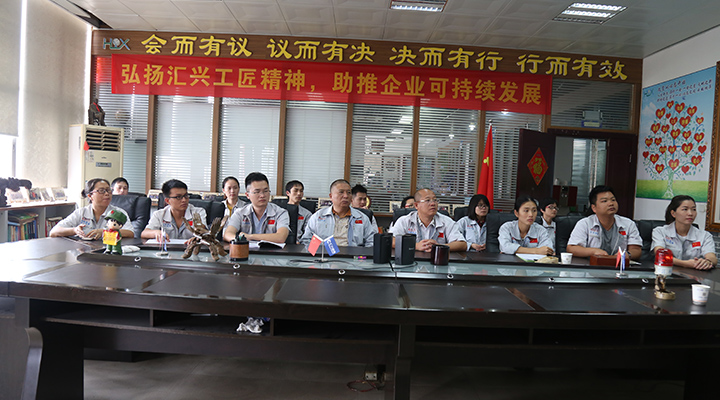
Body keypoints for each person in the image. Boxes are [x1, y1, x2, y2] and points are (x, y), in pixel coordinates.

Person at [567, 185, 642, 259]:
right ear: (594, 208)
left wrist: (628, 254)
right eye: (604, 201)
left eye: (613, 200)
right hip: (591, 265)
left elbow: (636, 249)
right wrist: (593, 251)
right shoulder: (584, 224)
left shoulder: (628, 224)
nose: (611, 203)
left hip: (619, 265)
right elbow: (572, 248)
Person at [50, 178, 134, 239]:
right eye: (101, 191)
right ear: (90, 196)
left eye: (108, 190)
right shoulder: (81, 212)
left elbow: (130, 233)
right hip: (84, 250)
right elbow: (54, 232)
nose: (107, 194)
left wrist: (105, 232)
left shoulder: (118, 212)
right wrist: (74, 230)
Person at [300, 179, 376, 247]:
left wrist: (361, 256)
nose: (346, 196)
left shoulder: (362, 218)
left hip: (353, 256)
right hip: (325, 256)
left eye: (349, 193)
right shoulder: (318, 217)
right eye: (341, 192)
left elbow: (371, 242)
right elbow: (306, 240)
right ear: (331, 196)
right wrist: (318, 253)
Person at [652, 195, 717, 270]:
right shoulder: (660, 232)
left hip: (694, 274)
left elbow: (712, 257)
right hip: (667, 271)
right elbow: (660, 255)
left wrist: (707, 262)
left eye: (694, 209)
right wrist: (685, 264)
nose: (690, 213)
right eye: (685, 209)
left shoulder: (704, 235)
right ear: (673, 213)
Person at [390, 188, 465, 252]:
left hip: (437, 260)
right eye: (428, 200)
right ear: (416, 205)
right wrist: (415, 246)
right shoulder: (405, 221)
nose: (433, 203)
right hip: (411, 260)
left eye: (435, 200)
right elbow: (391, 240)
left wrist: (439, 247)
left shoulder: (446, 221)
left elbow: (462, 244)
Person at [223, 172, 289, 243]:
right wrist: (239, 239)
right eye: (257, 192)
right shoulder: (240, 213)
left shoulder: (280, 213)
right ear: (247, 195)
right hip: (246, 249)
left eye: (265, 191)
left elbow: (281, 237)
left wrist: (250, 237)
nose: (262, 195)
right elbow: (227, 234)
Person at [142, 179, 207, 241]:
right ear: (167, 201)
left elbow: (204, 232)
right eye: (178, 197)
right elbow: (144, 233)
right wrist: (156, 232)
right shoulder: (159, 214)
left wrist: (198, 235)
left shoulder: (198, 212)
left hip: (191, 247)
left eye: (186, 196)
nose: (184, 200)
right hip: (168, 248)